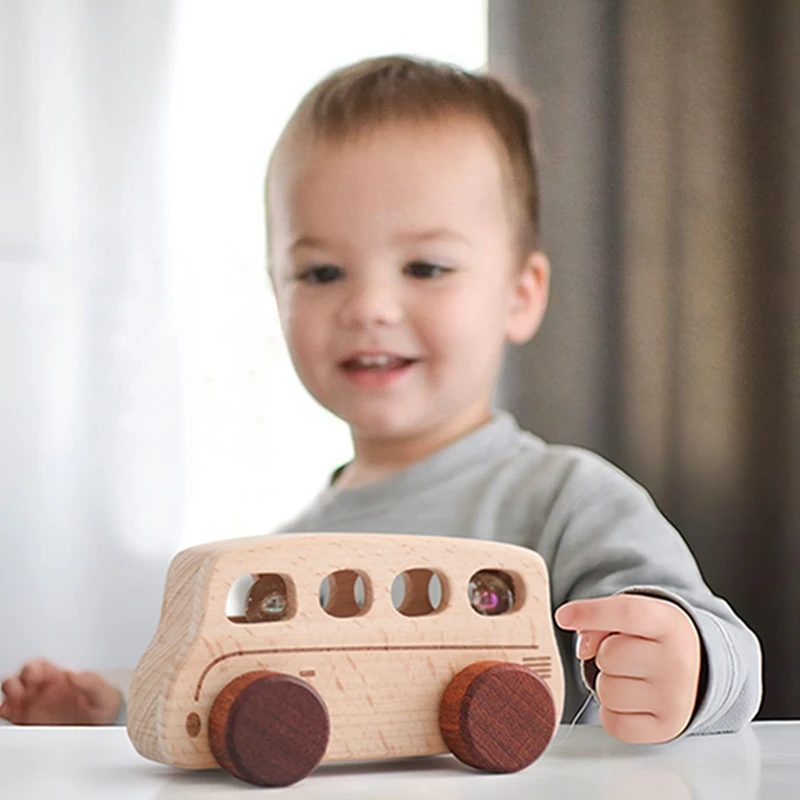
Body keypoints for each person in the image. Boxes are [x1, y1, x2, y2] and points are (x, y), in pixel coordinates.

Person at [0, 55, 762, 742]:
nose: (368, 305)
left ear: (520, 295)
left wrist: (688, 663)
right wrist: (115, 705)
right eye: (322, 273)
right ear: (276, 293)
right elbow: (232, 693)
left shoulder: (566, 499)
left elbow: (728, 654)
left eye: (425, 268)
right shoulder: (286, 556)